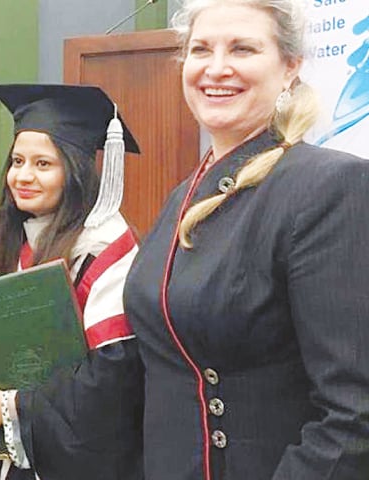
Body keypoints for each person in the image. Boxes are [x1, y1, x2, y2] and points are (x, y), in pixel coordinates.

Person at [122, 1, 369, 479]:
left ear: (290, 67)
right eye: (201, 50)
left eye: (243, 48)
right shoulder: (184, 195)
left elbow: (354, 412)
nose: (217, 68)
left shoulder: (329, 186)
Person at [0, 84, 144, 480]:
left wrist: (13, 407)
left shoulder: (105, 250)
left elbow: (112, 381)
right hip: (7, 457)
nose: (23, 176)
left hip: (81, 461)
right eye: (17, 161)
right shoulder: (5, 246)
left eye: (43, 164)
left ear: (75, 170)